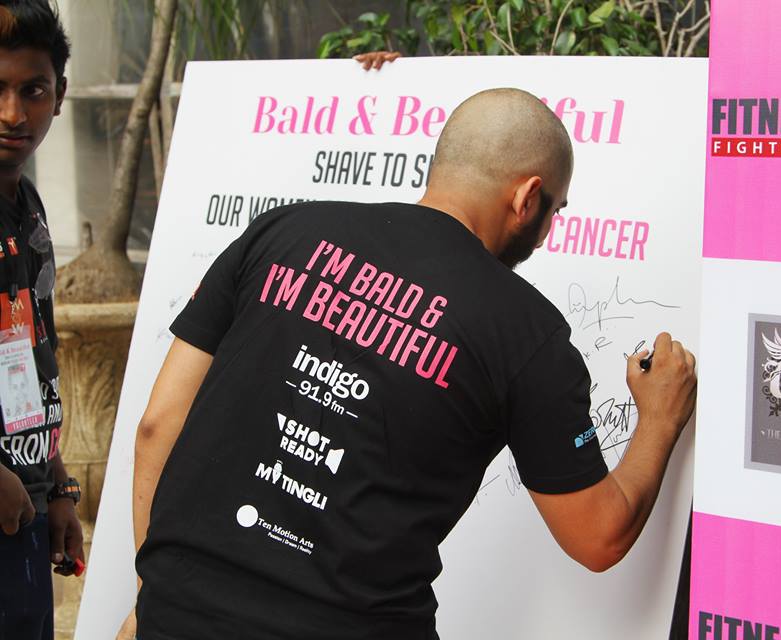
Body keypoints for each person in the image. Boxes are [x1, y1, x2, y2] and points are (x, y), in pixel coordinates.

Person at [124, 88, 697, 640]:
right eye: (554, 211)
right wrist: (660, 418)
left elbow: (157, 425)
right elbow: (598, 536)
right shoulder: (529, 333)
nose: (547, 234)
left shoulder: (280, 231)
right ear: (527, 197)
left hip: (176, 616)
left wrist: (151, 595)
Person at [0, 2, 83, 639]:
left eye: (33, 90)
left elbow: (32, 348)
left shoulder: (27, 202)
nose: (12, 114)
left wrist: (55, 483)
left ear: (59, 95)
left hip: (24, 506)